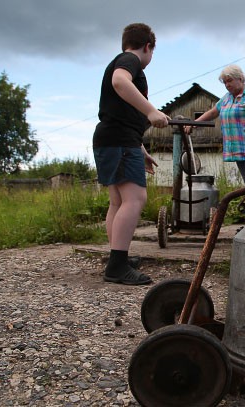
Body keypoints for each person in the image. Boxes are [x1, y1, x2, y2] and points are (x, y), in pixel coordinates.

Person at [92, 23, 169, 285]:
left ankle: (118, 257)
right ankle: (116, 266)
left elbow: (123, 116)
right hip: (118, 140)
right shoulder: (129, 60)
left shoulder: (122, 60)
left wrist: (141, 149)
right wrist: (151, 111)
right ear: (148, 46)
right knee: (135, 199)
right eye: (152, 52)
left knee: (118, 202)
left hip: (115, 139)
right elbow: (119, 81)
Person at [187, 64, 245, 185]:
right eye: (225, 82)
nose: (227, 85)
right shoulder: (227, 98)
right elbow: (213, 113)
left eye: (229, 81)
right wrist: (194, 124)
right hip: (240, 150)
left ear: (240, 79)